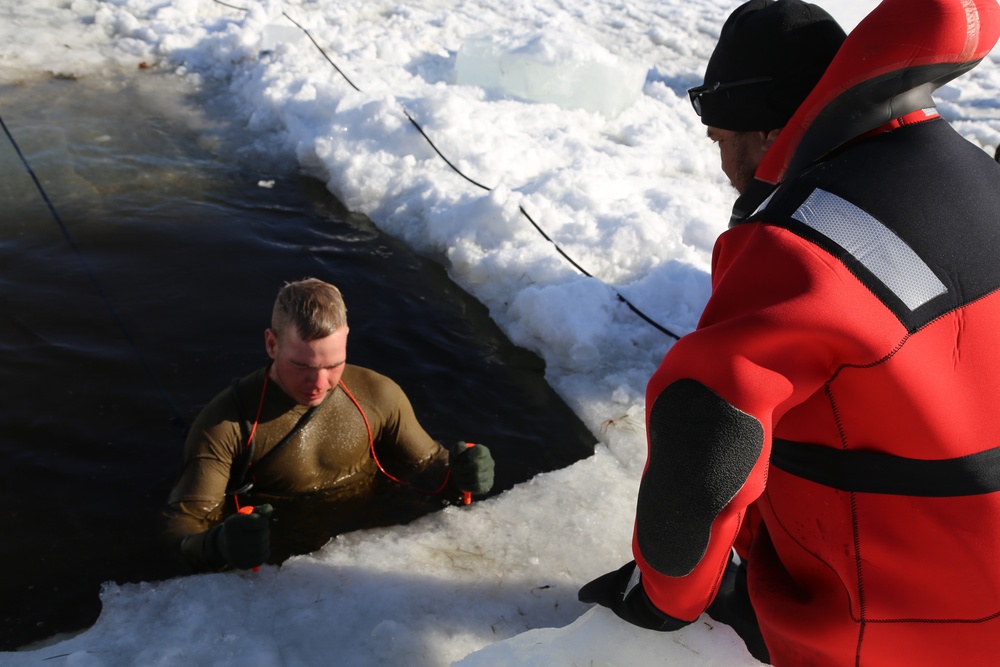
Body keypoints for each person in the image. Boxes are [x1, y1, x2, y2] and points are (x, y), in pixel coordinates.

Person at [579, 0, 1000, 665]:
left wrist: (669, 595)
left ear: (767, 128)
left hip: (904, 629)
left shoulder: (801, 242)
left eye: (722, 140)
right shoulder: (975, 173)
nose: (723, 166)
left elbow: (708, 426)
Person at [163, 278, 494, 571]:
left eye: (334, 365)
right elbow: (184, 524)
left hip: (373, 547)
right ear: (271, 344)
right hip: (286, 555)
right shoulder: (226, 423)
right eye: (302, 365)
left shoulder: (378, 394)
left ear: (347, 339)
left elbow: (430, 463)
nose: (319, 383)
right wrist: (218, 545)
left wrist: (462, 472)